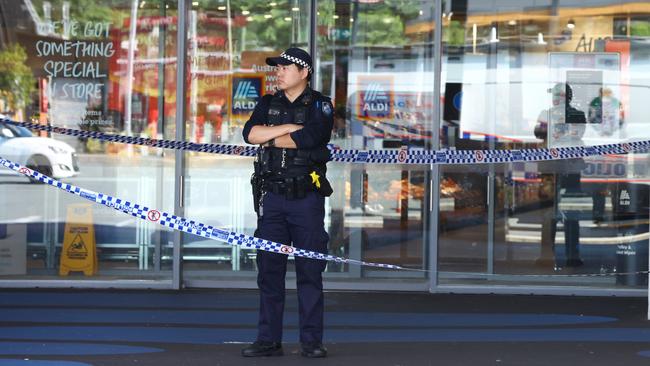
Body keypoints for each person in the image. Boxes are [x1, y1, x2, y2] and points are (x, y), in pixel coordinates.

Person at [240, 47, 334, 358]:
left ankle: (311, 342)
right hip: (273, 198)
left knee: (309, 271)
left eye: (285, 66)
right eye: (277, 67)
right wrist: (289, 129)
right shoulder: (268, 103)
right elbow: (250, 135)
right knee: (269, 272)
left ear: (304, 72)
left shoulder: (320, 105)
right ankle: (268, 340)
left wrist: (274, 135)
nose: (278, 71)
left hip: (306, 199)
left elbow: (312, 139)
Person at [534, 83, 586, 268]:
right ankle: (547, 255)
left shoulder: (577, 114)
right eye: (555, 95)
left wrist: (554, 127)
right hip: (550, 167)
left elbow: (577, 134)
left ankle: (572, 256)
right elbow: (538, 133)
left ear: (568, 97)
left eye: (560, 95)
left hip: (570, 167)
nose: (556, 98)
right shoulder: (546, 113)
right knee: (549, 213)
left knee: (571, 212)